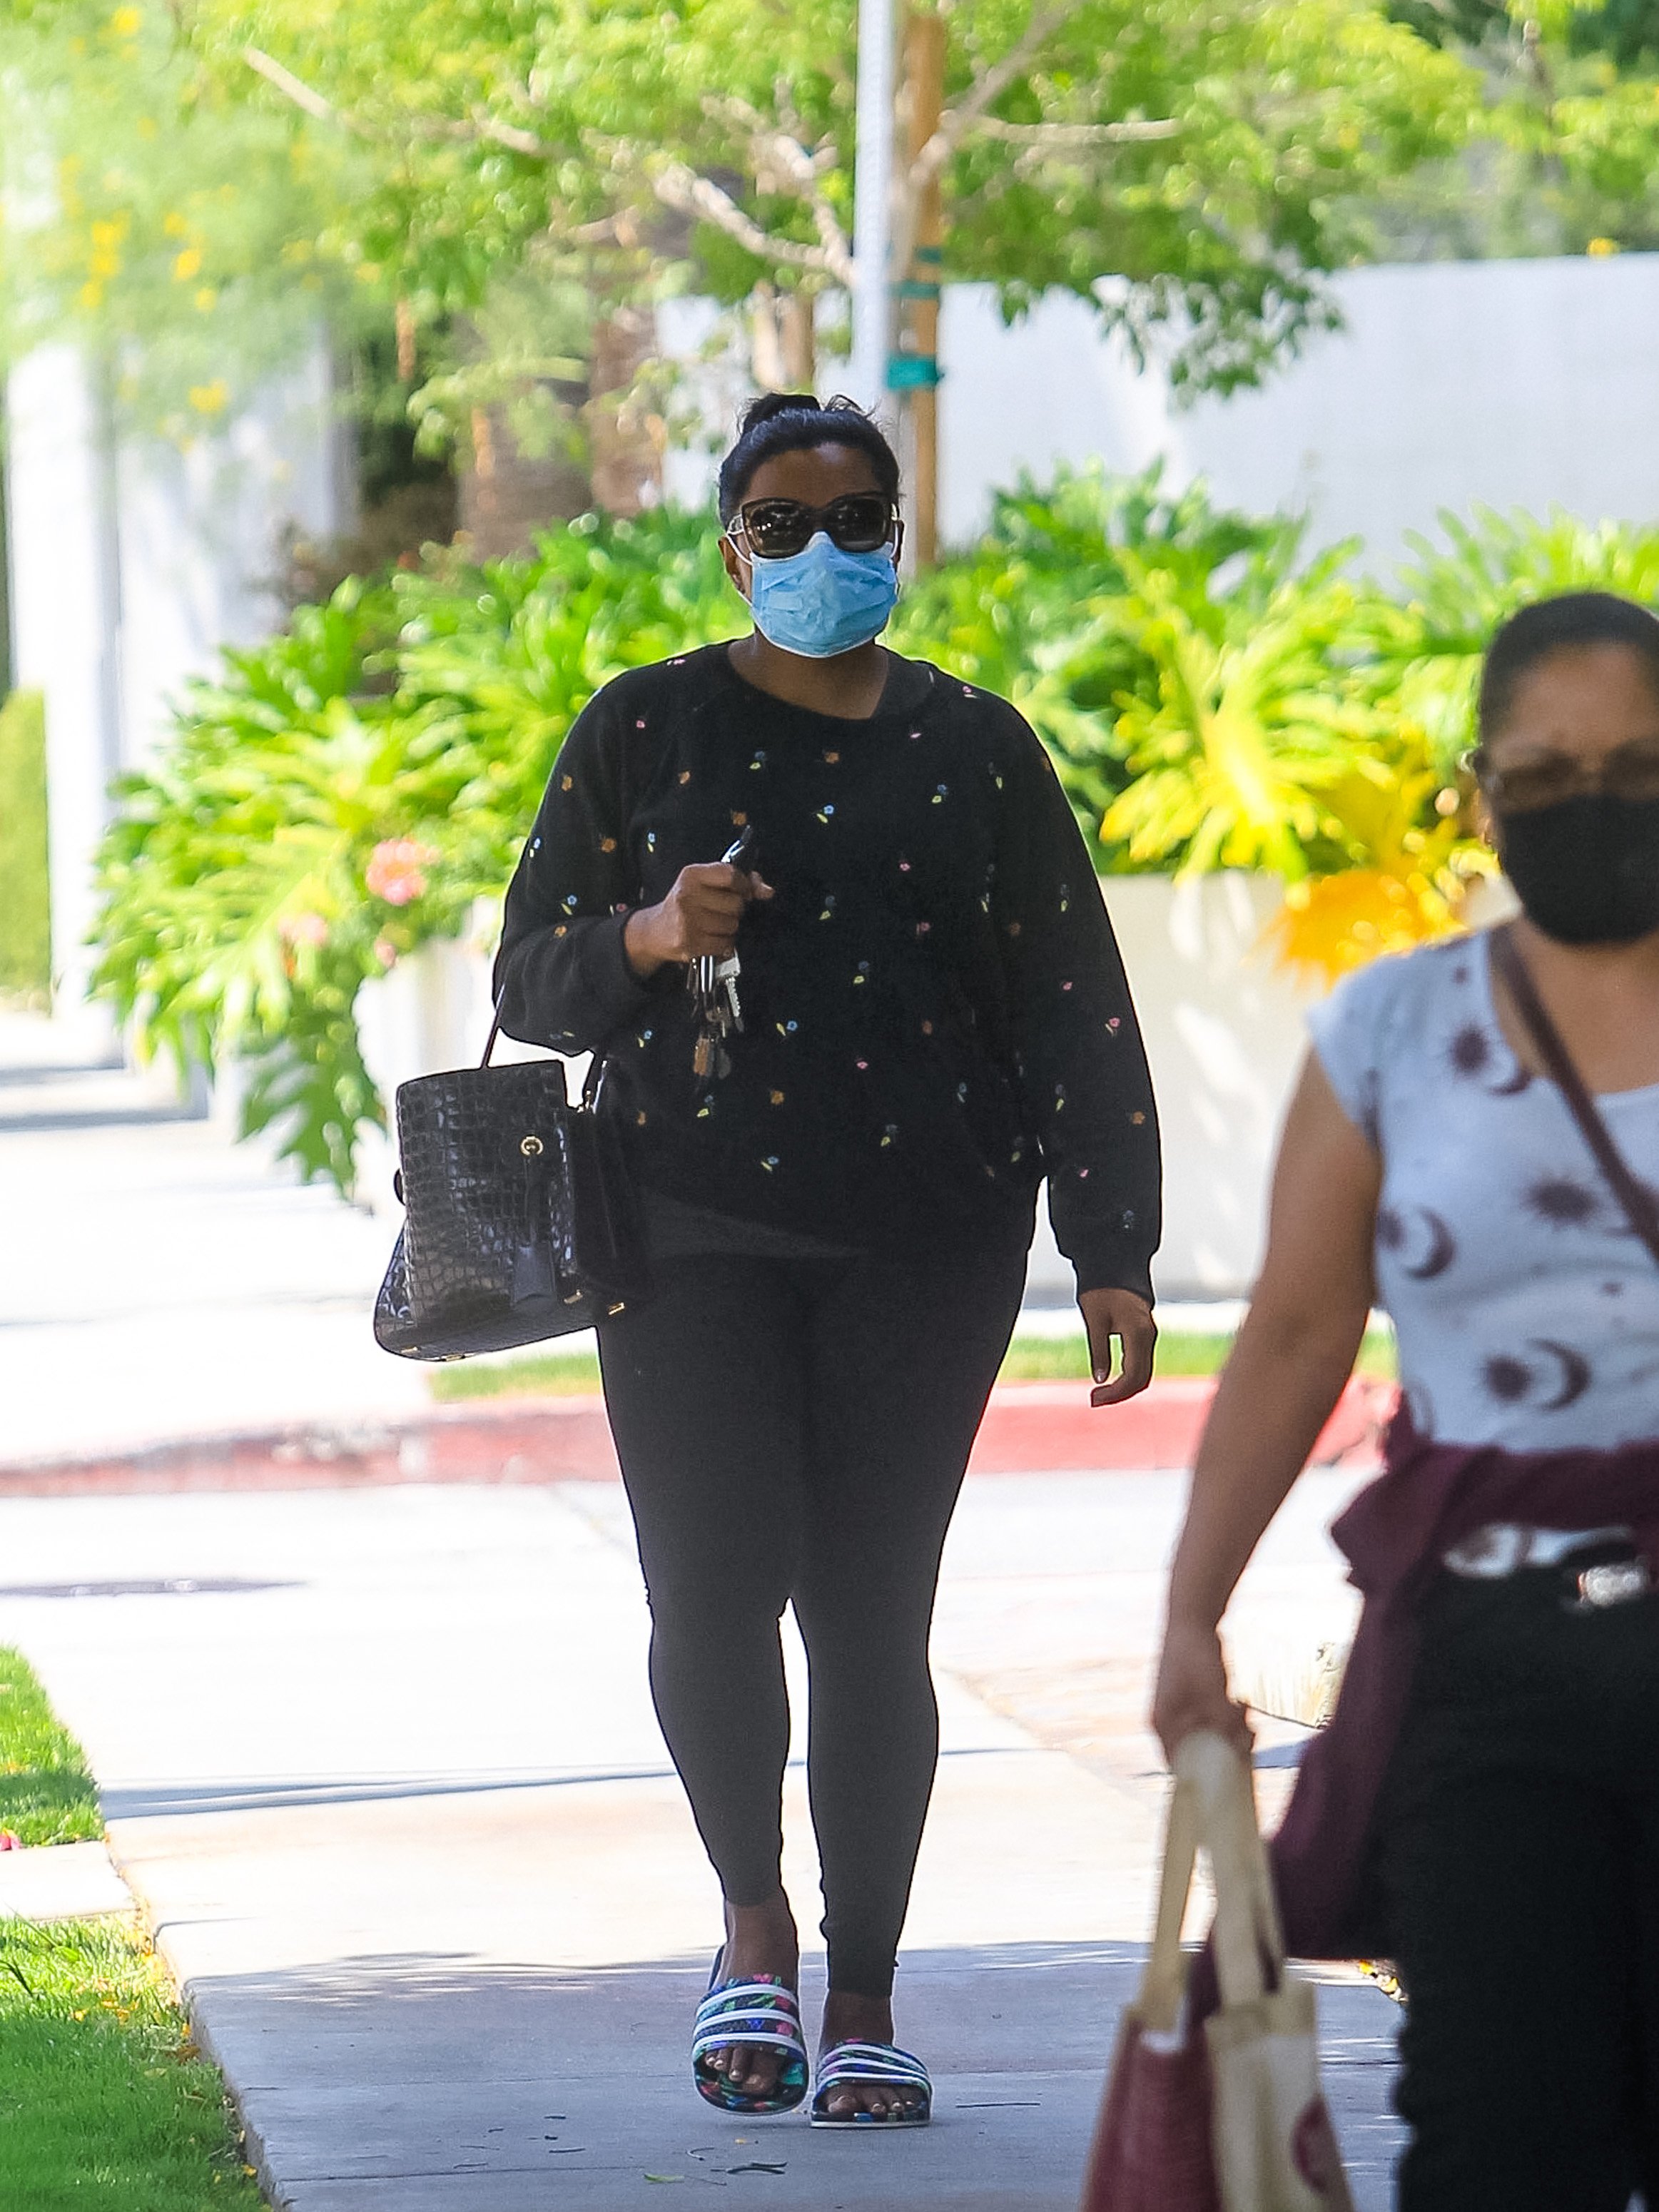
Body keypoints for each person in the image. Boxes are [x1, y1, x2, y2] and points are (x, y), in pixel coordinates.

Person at [494, 392, 1161, 2126]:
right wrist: (646, 931)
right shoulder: (640, 730)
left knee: (871, 1616)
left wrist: (1110, 1240)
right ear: (729, 544)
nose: (820, 549)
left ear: (895, 533)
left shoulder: (976, 746)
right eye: (780, 524)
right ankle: (750, 1923)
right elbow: (526, 983)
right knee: (709, 1596)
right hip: (684, 1233)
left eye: (853, 517)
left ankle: (865, 1986)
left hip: (926, 1243)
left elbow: (1068, 1001)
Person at [1151, 590, 1659, 2208]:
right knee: (1497, 2135)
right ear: (1482, 790)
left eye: (1637, 766)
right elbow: (1296, 1333)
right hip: (1485, 1661)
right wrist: (1189, 1612)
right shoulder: (1391, 1031)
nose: (1594, 801)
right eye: (1551, 771)